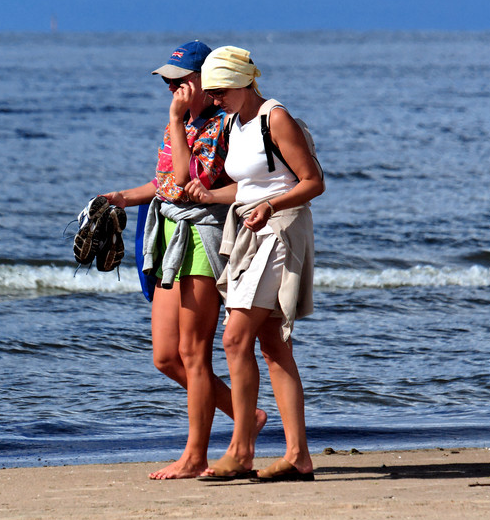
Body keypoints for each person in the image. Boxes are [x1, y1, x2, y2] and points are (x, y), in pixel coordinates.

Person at [101, 41, 266, 480]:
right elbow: (164, 185)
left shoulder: (218, 124)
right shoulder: (184, 121)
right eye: (167, 83)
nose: (171, 90)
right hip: (170, 236)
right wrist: (119, 198)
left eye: (179, 81)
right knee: (165, 357)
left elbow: (188, 179)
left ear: (203, 81)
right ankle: (243, 414)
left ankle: (195, 455)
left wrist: (176, 122)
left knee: (194, 352)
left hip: (203, 236)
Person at [188, 46, 324, 482]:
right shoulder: (234, 122)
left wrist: (270, 206)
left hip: (281, 230)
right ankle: (298, 457)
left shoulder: (275, 117)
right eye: (210, 91)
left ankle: (242, 449)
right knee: (272, 345)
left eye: (221, 90)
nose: (215, 98)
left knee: (234, 339)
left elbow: (313, 182)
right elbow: (248, 186)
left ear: (244, 81)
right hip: (251, 228)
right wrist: (211, 196)